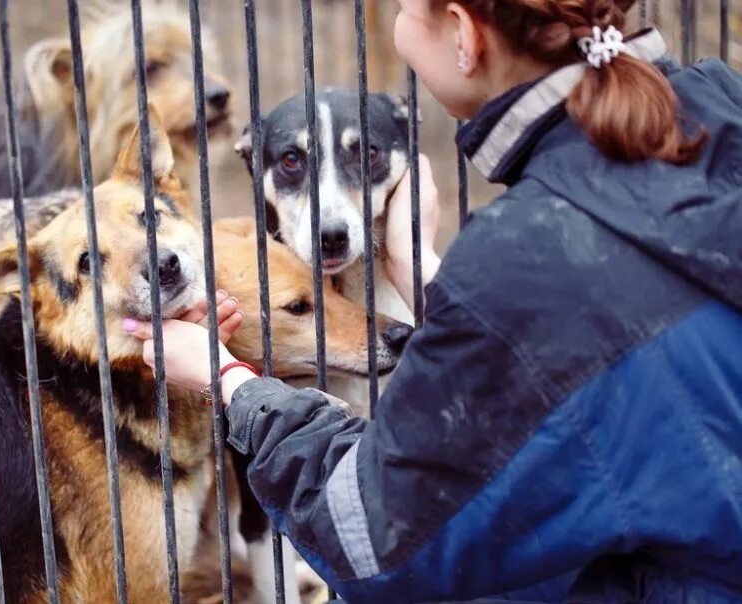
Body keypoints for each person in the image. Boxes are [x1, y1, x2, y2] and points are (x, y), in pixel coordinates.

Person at [124, 0, 742, 601]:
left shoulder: (523, 248)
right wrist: (417, 263)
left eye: (400, 10)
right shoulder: (717, 104)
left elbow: (374, 541)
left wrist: (225, 378)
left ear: (462, 36)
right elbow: (557, 353)